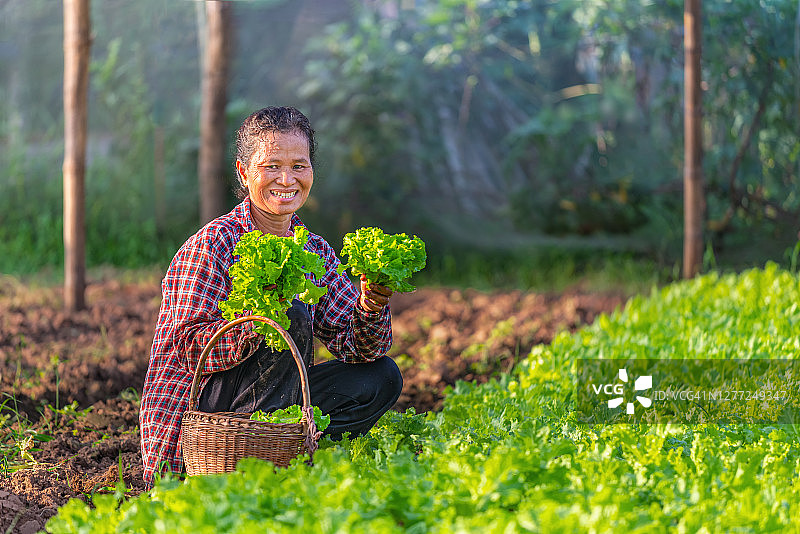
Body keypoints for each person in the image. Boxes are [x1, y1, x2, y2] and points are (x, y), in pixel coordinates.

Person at [139, 106, 402, 487]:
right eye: (271, 166)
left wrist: (370, 306)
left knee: (381, 376)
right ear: (244, 173)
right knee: (288, 315)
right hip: (201, 428)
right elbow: (187, 349)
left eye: (299, 166)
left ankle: (286, 458)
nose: (286, 179)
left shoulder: (312, 249)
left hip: (273, 403)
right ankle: (251, 469)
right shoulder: (213, 245)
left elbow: (356, 347)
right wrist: (258, 319)